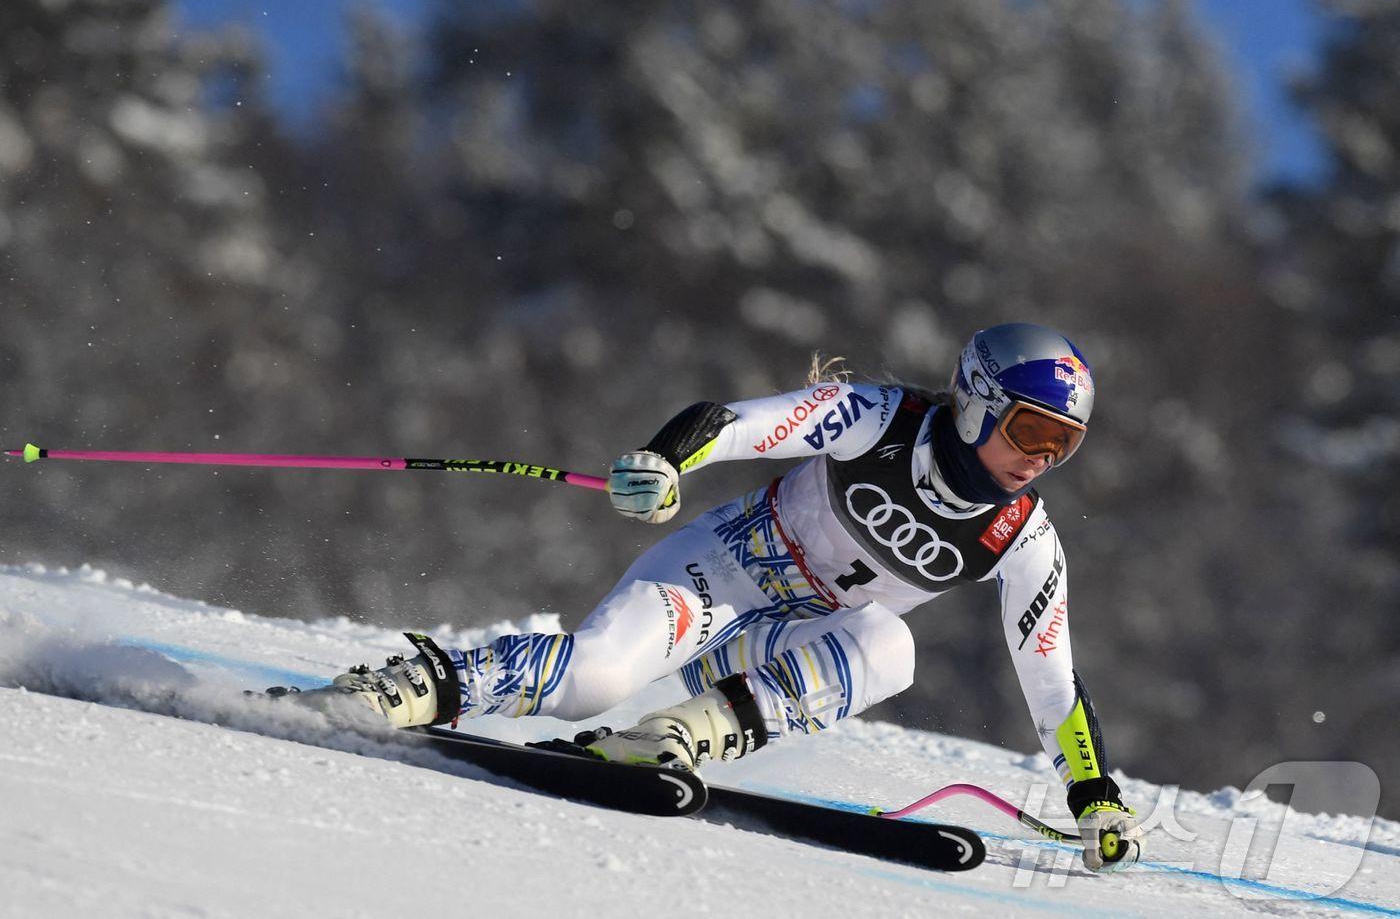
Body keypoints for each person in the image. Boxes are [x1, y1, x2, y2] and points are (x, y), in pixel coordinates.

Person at [323, 322, 1143, 872]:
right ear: (977, 400)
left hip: (785, 646)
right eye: (1031, 430)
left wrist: (1094, 797)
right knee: (594, 679)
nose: (1041, 458)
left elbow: (1053, 683)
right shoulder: (879, 419)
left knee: (891, 646)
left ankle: (669, 740)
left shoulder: (1023, 540)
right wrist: (665, 461)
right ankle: (412, 688)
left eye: (1063, 444)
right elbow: (739, 423)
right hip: (726, 572)